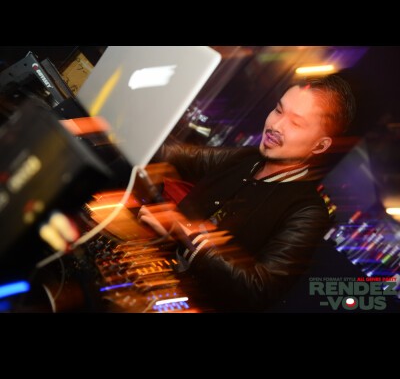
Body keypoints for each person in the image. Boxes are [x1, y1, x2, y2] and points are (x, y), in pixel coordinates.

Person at [138, 74, 357, 312]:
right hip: (152, 277)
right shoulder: (245, 158)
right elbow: (178, 156)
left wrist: (183, 233)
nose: (275, 126)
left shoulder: (308, 211)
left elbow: (259, 289)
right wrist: (127, 129)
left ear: (320, 145)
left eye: (295, 123)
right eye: (278, 110)